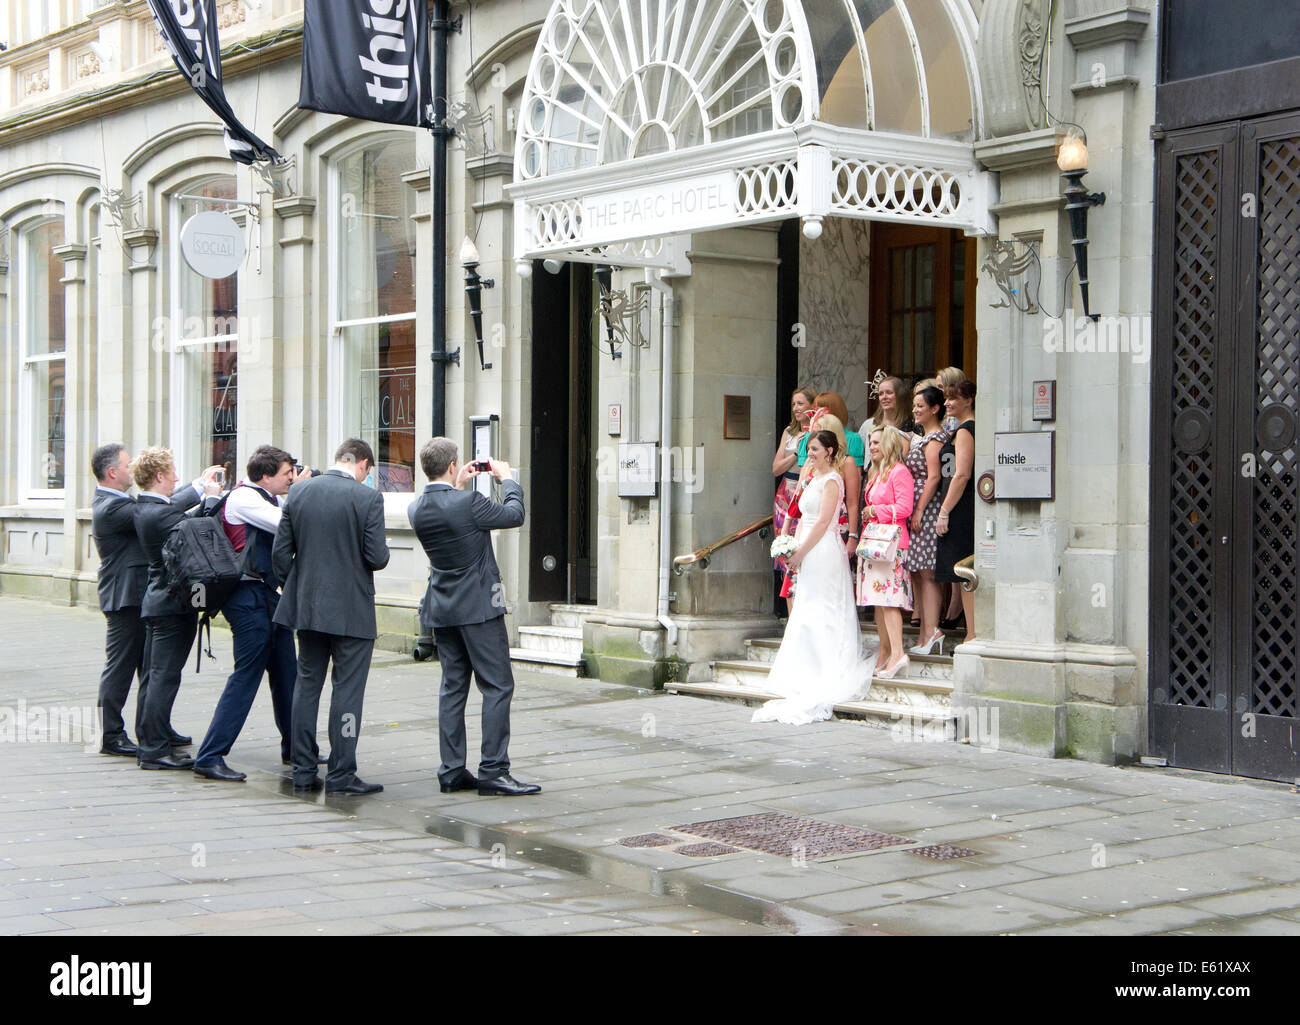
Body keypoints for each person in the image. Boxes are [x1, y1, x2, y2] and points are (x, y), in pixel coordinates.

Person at [408, 438, 539, 796]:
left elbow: (446, 508)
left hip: (442, 609)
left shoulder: (416, 507)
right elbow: (514, 515)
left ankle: (451, 770)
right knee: (497, 686)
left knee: (453, 688)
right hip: (479, 608)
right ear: (452, 466)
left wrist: (456, 484)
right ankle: (494, 771)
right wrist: (507, 478)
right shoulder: (469, 502)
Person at [272, 439, 390, 795]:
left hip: (307, 607)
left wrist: (297, 586)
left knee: (306, 686)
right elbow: (378, 557)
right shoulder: (368, 498)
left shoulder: (300, 493)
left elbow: (281, 555)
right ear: (363, 464)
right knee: (347, 693)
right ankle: (341, 774)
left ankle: (304, 771)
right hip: (352, 610)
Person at [191, 445, 313, 782]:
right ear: (265, 476)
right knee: (246, 675)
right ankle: (210, 755)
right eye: (287, 473)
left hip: (269, 596)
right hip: (246, 598)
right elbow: (284, 525)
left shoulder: (268, 497)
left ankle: (297, 749)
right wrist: (302, 494)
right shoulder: (244, 498)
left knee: (287, 673)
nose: (292, 478)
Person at [753, 430, 870, 725]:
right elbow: (797, 512)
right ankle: (805, 670)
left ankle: (826, 669)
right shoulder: (813, 479)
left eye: (815, 449)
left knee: (823, 609)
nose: (811, 454)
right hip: (805, 547)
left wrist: (801, 551)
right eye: (810, 449)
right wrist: (789, 541)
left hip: (823, 551)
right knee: (806, 608)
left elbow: (822, 522)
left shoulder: (833, 480)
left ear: (830, 451)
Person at [133, 448, 223, 769]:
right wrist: (211, 500)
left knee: (153, 676)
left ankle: (152, 736)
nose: (175, 477)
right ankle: (155, 750)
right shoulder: (161, 514)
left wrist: (201, 486)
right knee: (164, 677)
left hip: (156, 601)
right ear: (159, 476)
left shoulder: (145, 506)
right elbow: (196, 531)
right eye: (172, 472)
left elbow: (176, 508)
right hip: (172, 605)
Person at [90, 443, 149, 757]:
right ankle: (108, 735)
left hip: (135, 595)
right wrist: (198, 490)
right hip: (124, 597)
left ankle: (153, 729)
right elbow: (149, 512)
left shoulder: (119, 500)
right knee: (120, 668)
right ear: (113, 472)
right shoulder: (110, 507)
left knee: (147, 667)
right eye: (129, 465)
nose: (134, 470)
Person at [858, 426, 915, 678]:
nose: (871, 446)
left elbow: (905, 507)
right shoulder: (876, 472)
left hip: (892, 545)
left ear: (890, 445)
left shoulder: (899, 472)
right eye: (870, 442)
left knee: (890, 601)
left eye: (877, 443)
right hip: (874, 543)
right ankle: (885, 652)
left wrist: (875, 511)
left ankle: (899, 653)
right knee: (878, 603)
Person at [904, 387, 950, 654]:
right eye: (914, 405)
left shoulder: (935, 439)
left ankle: (932, 631)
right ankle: (924, 636)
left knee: (928, 572)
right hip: (918, 503)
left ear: (935, 408)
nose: (915, 409)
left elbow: (934, 476)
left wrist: (920, 509)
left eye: (921, 405)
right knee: (918, 571)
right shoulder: (921, 437)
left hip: (929, 505)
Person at [935, 380, 977, 642]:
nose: (948, 403)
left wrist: (944, 511)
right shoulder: (962, 429)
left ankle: (972, 634)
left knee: (964, 571)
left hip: (961, 509)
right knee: (961, 572)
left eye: (953, 398)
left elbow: (961, 474)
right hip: (959, 506)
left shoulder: (966, 430)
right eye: (946, 398)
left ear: (969, 400)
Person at [772, 386, 816, 615]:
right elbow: (776, 468)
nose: (796, 408)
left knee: (803, 547)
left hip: (806, 490)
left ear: (811, 406)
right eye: (793, 404)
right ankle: (790, 610)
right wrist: (795, 452)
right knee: (785, 548)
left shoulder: (817, 431)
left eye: (801, 403)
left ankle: (804, 609)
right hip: (785, 493)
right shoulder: (789, 432)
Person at [859, 375, 913, 452]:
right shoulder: (868, 425)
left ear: (899, 395)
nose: (884, 397)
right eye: (881, 394)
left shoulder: (909, 426)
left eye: (889, 392)